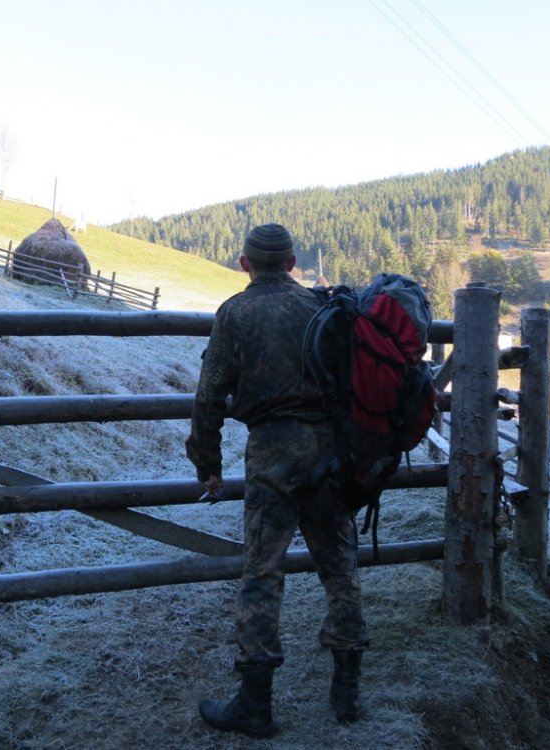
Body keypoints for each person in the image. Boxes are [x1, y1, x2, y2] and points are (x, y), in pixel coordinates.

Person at [185, 222, 370, 738]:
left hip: (272, 452)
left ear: (245, 264)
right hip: (330, 452)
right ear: (291, 264)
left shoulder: (236, 312)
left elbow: (209, 395)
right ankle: (347, 692)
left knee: (262, 570)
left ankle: (255, 703)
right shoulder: (320, 306)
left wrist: (207, 463)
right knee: (339, 564)